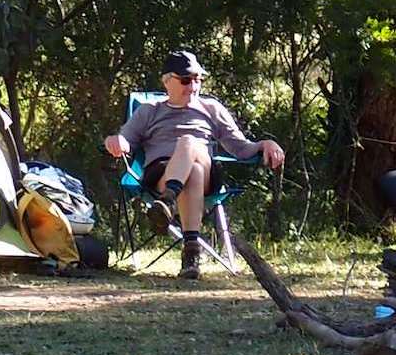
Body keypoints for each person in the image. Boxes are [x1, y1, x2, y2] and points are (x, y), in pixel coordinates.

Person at [103, 50, 285, 279]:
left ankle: (167, 202)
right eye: (186, 80)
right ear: (167, 81)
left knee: (189, 143)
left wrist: (266, 143)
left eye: (198, 80)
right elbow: (125, 140)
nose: (193, 87)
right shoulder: (149, 111)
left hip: (206, 176)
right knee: (193, 171)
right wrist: (115, 141)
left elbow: (240, 148)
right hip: (161, 174)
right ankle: (191, 254)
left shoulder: (211, 108)